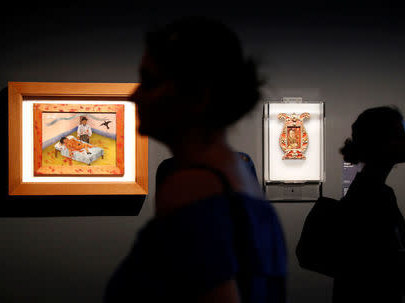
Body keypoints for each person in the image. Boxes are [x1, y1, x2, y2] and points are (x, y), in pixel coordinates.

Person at [104, 17, 287, 303]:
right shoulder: (237, 174)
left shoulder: (192, 185)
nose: (134, 96)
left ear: (199, 96)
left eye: (150, 82)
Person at [335, 106, 405, 303]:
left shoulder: (365, 190)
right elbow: (397, 265)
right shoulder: (375, 195)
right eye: (400, 135)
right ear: (379, 142)